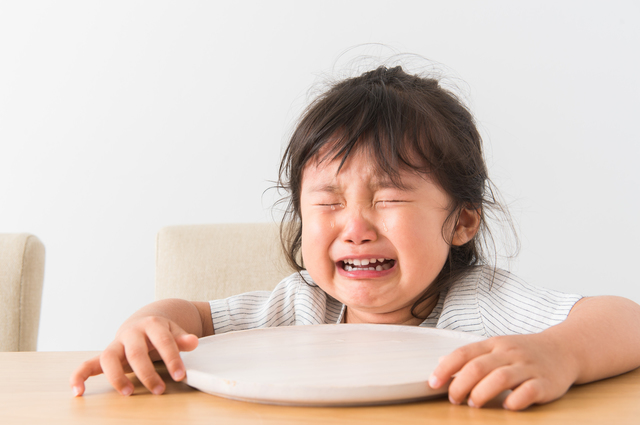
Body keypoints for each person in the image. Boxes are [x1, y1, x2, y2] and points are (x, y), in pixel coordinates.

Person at [70, 65, 640, 410]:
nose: (356, 226)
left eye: (389, 198)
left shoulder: (482, 305)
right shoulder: (301, 304)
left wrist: (558, 353)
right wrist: (149, 324)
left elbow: (626, 319)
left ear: (462, 222)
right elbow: (192, 319)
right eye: (328, 201)